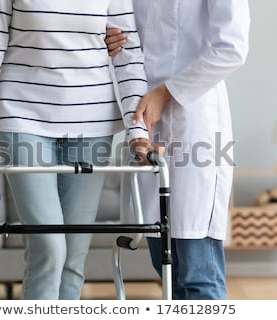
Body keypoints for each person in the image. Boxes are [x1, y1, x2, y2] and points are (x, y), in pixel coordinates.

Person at [0, 0, 155, 300]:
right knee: (49, 247)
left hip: (92, 123)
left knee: (75, 254)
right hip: (22, 117)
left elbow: (128, 57)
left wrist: (138, 132)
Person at [106, 0, 250, 299]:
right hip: (143, 120)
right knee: (166, 271)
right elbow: (124, 36)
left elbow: (232, 48)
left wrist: (166, 92)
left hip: (195, 117)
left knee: (198, 272)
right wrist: (109, 39)